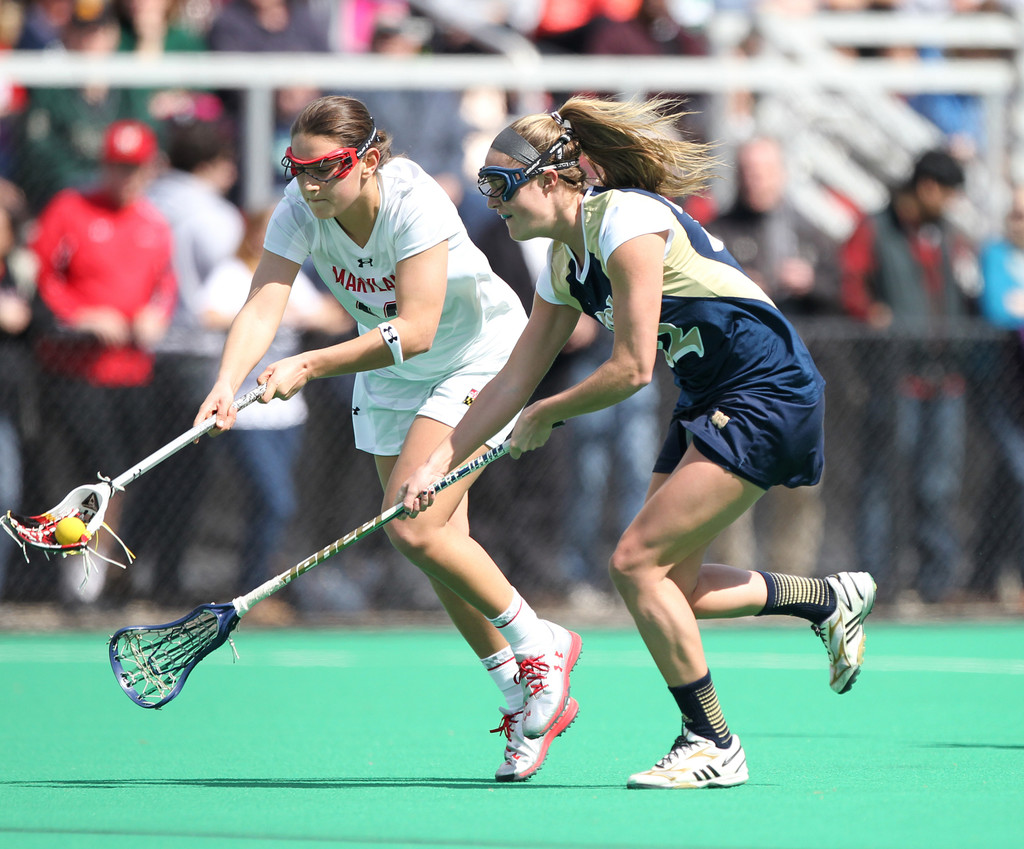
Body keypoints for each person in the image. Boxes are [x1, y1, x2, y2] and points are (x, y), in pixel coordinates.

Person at [398, 96, 877, 790]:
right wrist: (438, 463)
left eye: (502, 185)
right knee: (672, 586)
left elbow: (630, 368)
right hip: (712, 397)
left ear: (553, 177)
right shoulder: (565, 264)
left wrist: (547, 414)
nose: (493, 202)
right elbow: (510, 381)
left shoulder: (625, 219)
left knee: (635, 565)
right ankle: (825, 599)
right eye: (484, 187)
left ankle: (712, 741)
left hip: (767, 388)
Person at [194, 94, 581, 782]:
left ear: (369, 161)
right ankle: (521, 695)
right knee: (437, 546)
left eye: (327, 169)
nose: (310, 183)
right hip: (391, 376)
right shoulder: (299, 206)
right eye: (298, 167)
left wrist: (311, 362)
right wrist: (229, 380)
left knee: (412, 522)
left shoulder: (415, 200)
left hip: (474, 356)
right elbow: (265, 298)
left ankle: (540, 641)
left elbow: (421, 327)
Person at [30, 119, 176, 603]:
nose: (126, 177)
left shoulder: (152, 222)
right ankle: (70, 572)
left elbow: (165, 286)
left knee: (123, 476)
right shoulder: (70, 210)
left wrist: (156, 315)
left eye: (135, 168)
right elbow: (43, 278)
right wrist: (81, 315)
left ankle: (103, 571)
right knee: (84, 474)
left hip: (132, 373)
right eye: (118, 167)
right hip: (75, 372)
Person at [840, 148, 974, 604]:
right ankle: (874, 582)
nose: (953, 203)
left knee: (939, 482)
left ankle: (936, 583)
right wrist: (872, 315)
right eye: (949, 193)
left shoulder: (946, 235)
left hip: (944, 380)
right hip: (895, 379)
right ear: (929, 188)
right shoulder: (875, 228)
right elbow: (850, 282)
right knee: (883, 481)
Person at [705, 135, 843, 577]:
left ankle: (792, 588)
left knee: (798, 492)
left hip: (799, 387)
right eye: (748, 172)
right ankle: (732, 588)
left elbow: (846, 294)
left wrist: (812, 282)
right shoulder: (718, 231)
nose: (756, 180)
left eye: (764, 171)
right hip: (736, 385)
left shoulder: (810, 232)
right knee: (728, 486)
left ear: (781, 174)